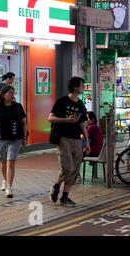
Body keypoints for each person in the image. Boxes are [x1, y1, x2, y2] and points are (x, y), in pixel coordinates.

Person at [49, 77, 90, 207]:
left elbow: (83, 124)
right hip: (63, 138)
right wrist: (66, 120)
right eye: (82, 85)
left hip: (77, 140)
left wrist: (87, 142)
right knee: (68, 167)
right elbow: (50, 118)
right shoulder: (62, 102)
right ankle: (56, 186)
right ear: (75, 87)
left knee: (74, 169)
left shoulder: (81, 104)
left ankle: (64, 196)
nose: (83, 87)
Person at [0, 85, 27, 198]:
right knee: (3, 162)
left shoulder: (18, 107)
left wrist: (24, 137)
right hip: (1, 139)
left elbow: (24, 122)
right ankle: (5, 180)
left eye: (12, 93)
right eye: (9, 93)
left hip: (15, 139)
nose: (11, 95)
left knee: (11, 162)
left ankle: (9, 187)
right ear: (3, 94)